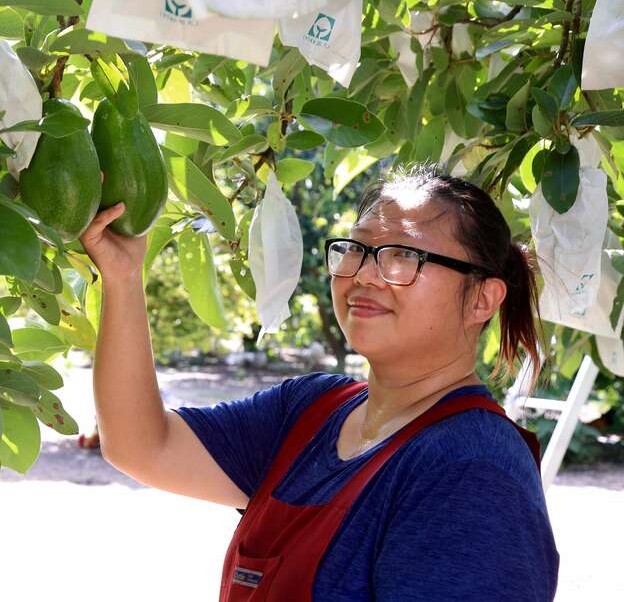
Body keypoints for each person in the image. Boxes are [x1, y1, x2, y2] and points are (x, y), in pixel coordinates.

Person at [80, 162, 559, 601]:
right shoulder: (311, 409)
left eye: (402, 255)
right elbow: (143, 445)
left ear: (481, 299)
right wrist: (123, 276)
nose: (365, 275)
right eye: (357, 249)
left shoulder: (472, 469)